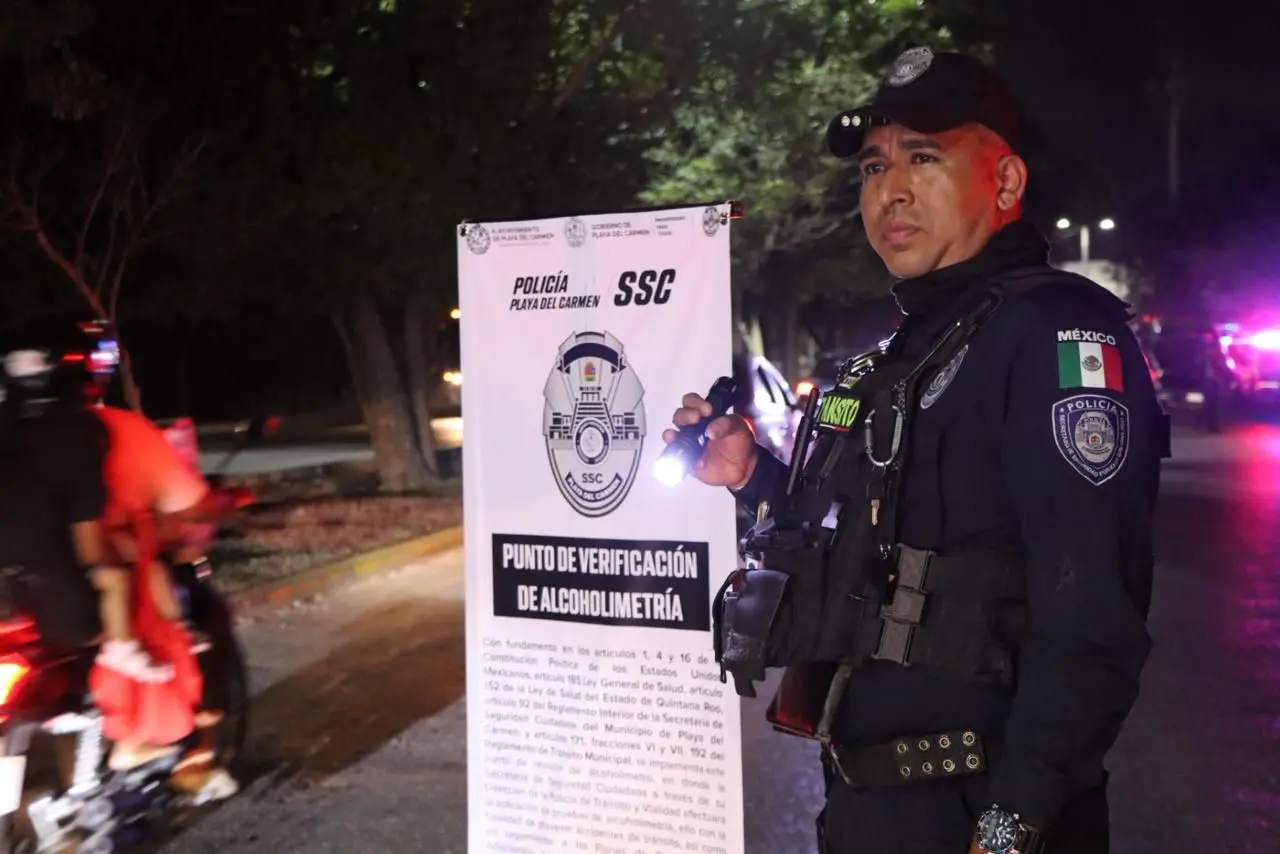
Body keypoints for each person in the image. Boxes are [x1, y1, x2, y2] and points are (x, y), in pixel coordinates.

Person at [669, 48, 1166, 853]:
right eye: (873, 166)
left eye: (924, 158)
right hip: (866, 806)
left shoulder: (1054, 335)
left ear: (1004, 183)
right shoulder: (901, 353)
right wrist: (750, 476)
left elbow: (1092, 620)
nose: (888, 190)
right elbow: (852, 564)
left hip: (982, 814)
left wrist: (1012, 826)